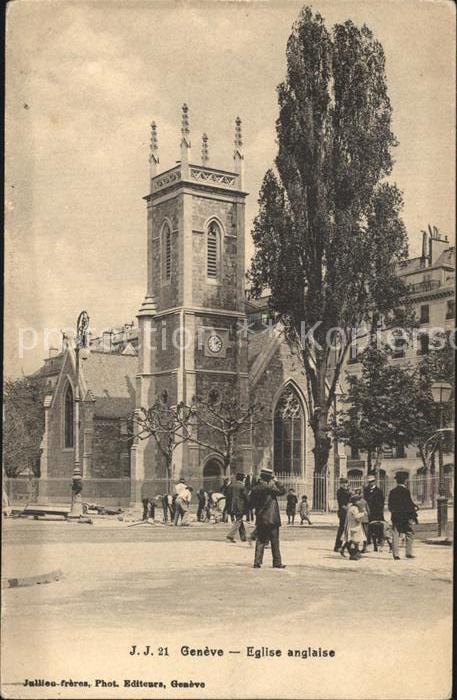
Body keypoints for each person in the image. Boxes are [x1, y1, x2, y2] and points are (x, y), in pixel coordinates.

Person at [249, 467, 286, 568]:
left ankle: (257, 562)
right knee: (274, 541)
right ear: (270, 477)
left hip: (261, 518)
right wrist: (277, 482)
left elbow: (250, 502)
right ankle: (277, 562)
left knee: (260, 540)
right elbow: (283, 491)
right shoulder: (271, 488)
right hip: (272, 518)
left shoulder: (256, 488)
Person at [388, 473, 419, 560]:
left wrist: (394, 513)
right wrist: (413, 515)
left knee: (395, 534)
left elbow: (390, 505)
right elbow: (409, 505)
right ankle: (408, 553)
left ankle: (396, 554)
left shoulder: (392, 492)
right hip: (405, 517)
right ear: (405, 481)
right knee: (409, 533)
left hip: (396, 516)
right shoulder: (406, 491)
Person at [340, 494, 367, 560]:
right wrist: (363, 513)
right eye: (358, 500)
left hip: (353, 526)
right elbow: (356, 516)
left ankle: (354, 552)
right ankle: (353, 554)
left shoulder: (351, 507)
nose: (360, 502)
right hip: (354, 526)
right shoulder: (354, 508)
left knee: (353, 540)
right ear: (355, 501)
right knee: (354, 540)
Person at [364, 474, 385, 551]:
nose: (371, 483)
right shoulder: (365, 490)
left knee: (378, 527)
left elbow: (381, 502)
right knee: (369, 528)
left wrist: (379, 511)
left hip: (377, 512)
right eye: (369, 482)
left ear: (374, 482)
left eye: (372, 481)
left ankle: (379, 542)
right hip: (368, 512)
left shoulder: (379, 491)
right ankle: (369, 542)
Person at [226, 473, 248, 542]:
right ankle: (230, 535)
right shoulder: (242, 486)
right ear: (243, 479)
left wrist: (228, 507)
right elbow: (246, 497)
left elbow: (228, 497)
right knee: (238, 520)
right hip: (240, 506)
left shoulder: (231, 486)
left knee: (239, 520)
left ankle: (243, 537)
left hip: (232, 506)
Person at [334, 477, 351, 551]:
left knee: (347, 529)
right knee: (342, 529)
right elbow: (342, 504)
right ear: (340, 484)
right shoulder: (340, 492)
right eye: (343, 483)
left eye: (346, 483)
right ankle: (337, 546)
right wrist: (349, 509)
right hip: (343, 512)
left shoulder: (347, 491)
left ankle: (346, 545)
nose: (344, 484)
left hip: (347, 512)